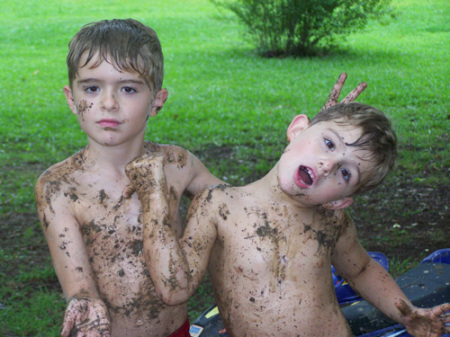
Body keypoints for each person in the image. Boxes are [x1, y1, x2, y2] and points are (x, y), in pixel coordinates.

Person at [34, 17, 365, 336]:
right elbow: (76, 282)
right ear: (71, 99)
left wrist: (309, 148)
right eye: (91, 88)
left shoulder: (177, 164)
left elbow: (243, 210)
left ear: (156, 101)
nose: (108, 103)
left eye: (129, 90)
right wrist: (83, 301)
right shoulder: (58, 187)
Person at [126, 102, 450, 337]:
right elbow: (175, 290)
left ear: (340, 200)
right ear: (296, 129)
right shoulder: (219, 205)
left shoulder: (331, 222)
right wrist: (153, 199)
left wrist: (406, 312)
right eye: (328, 143)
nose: (327, 164)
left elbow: (362, 270)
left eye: (345, 172)